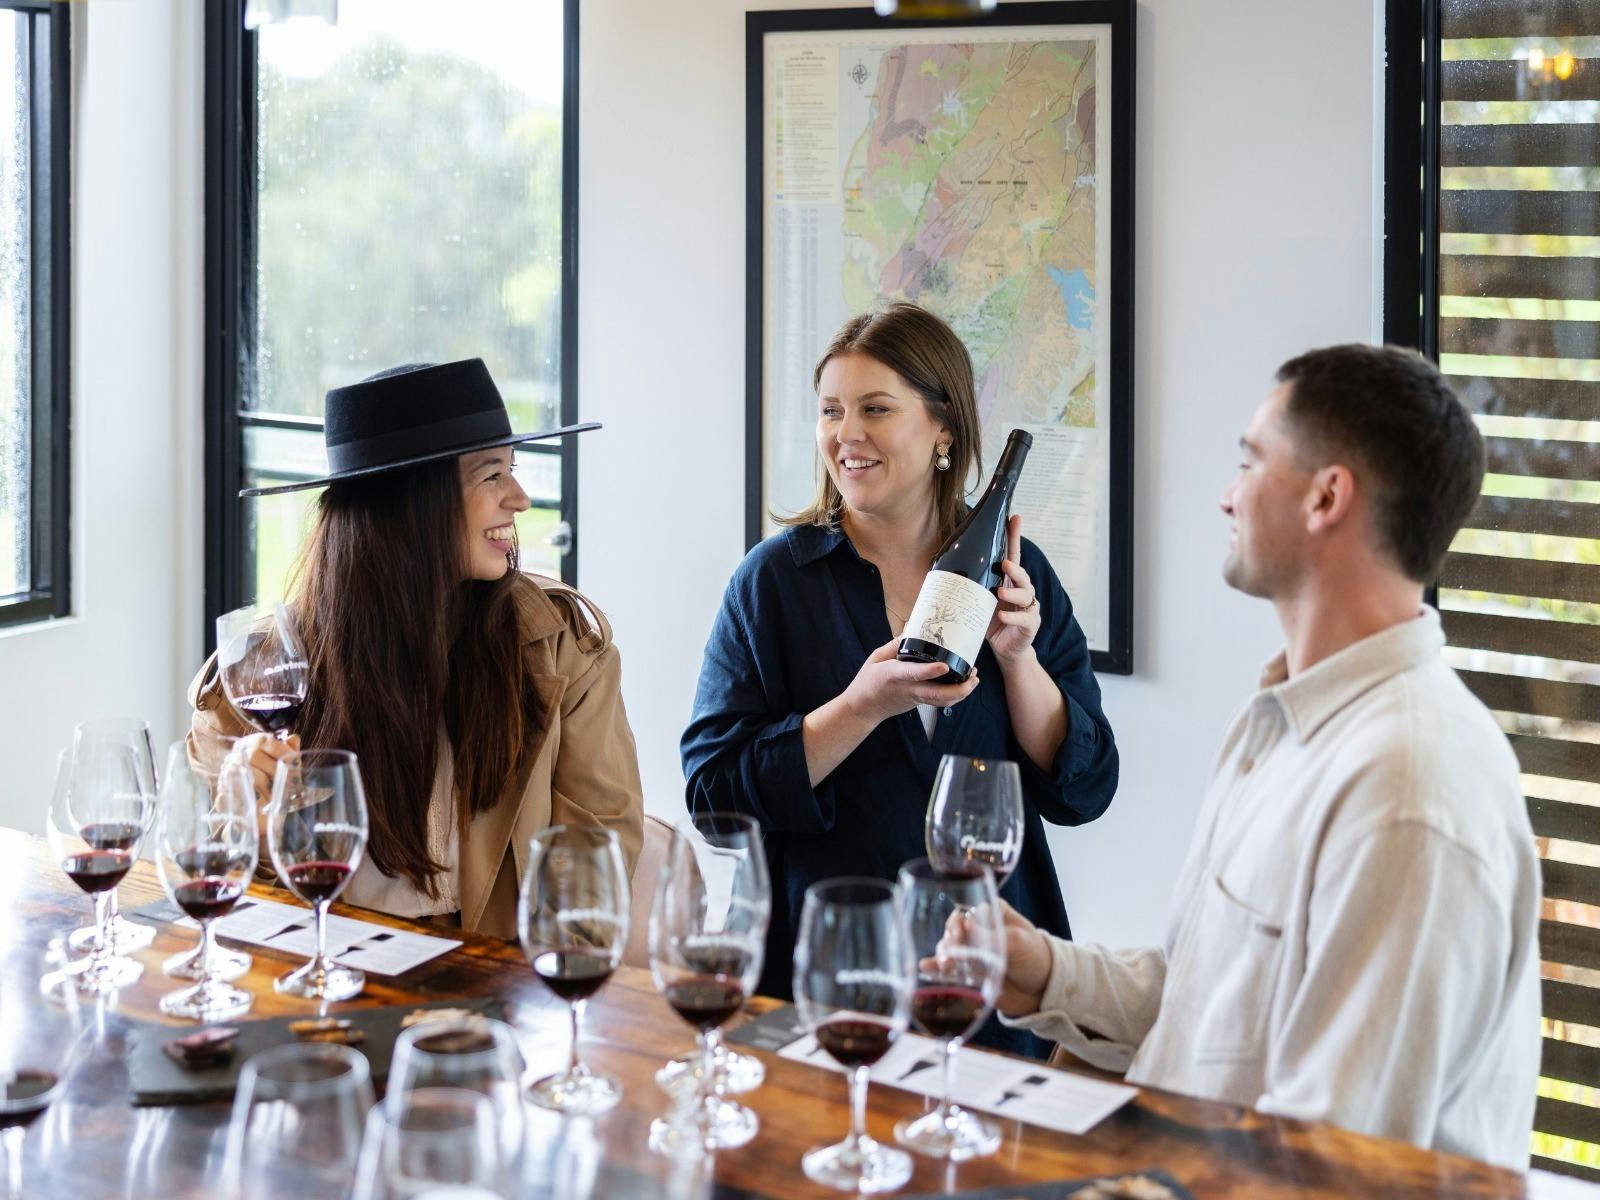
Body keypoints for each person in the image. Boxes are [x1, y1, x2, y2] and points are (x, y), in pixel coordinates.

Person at [990, 345, 1540, 1168]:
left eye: (1249, 461)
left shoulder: (1407, 791)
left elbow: (1325, 1164)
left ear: (1326, 496)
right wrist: (1043, 972)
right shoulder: (1274, 723)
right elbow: (1206, 1004)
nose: (1226, 495)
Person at [682, 303, 1118, 1055]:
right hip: (824, 978)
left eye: (875, 409)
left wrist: (1019, 659)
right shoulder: (774, 583)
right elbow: (713, 791)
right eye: (830, 411)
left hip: (989, 985)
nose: (846, 434)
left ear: (943, 427)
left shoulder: (1020, 573)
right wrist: (857, 708)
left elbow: (1086, 789)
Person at [187, 359, 644, 938]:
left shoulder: (564, 650)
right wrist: (251, 829)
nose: (521, 499)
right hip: (330, 983)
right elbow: (224, 904)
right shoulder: (259, 676)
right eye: (491, 475)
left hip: (502, 992)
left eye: (513, 469)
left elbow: (596, 861)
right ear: (411, 506)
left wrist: (535, 996)